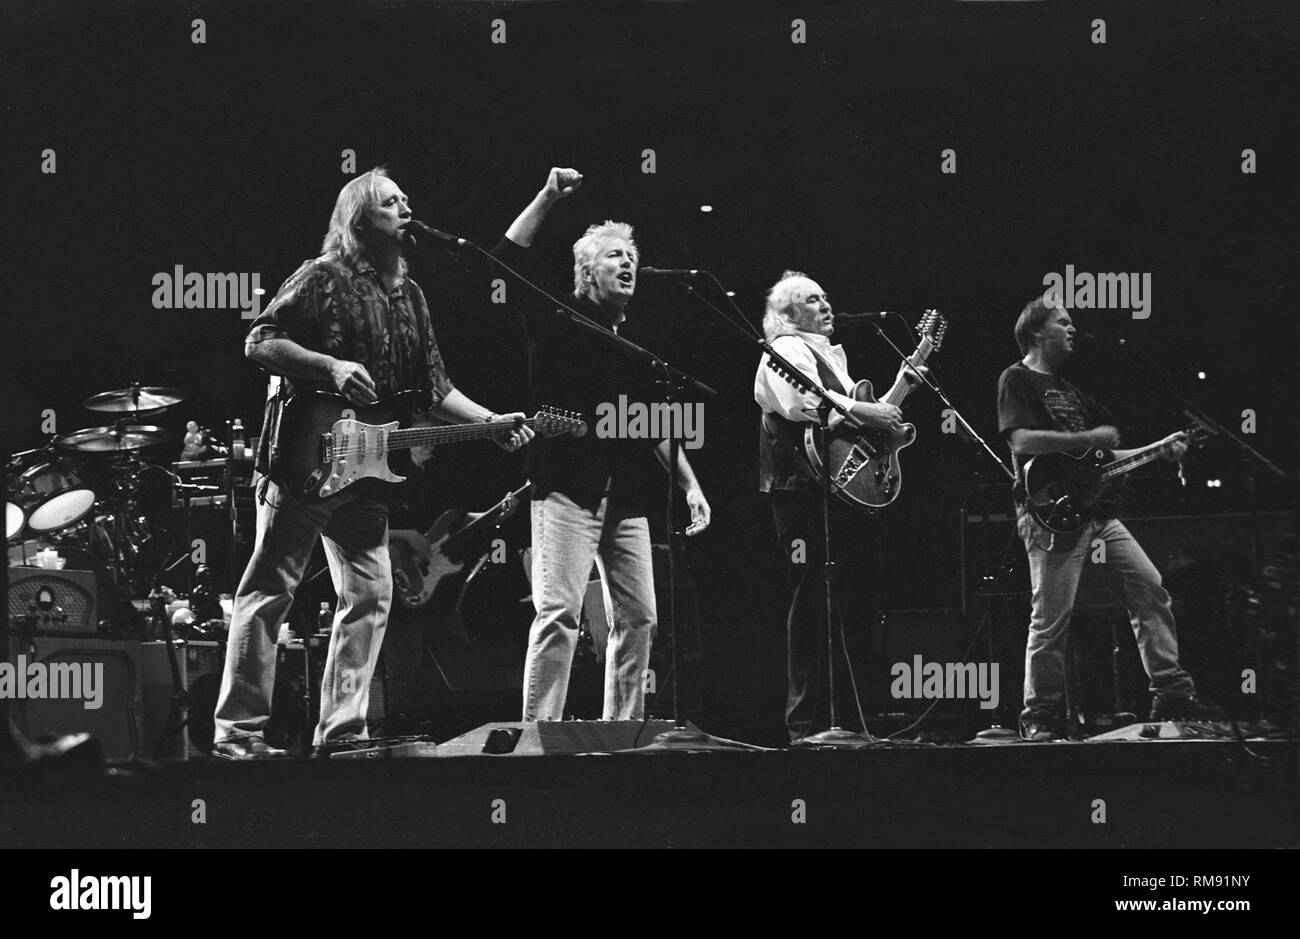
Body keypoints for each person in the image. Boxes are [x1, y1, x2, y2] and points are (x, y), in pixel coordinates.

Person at [212, 168, 534, 759]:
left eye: (406, 198)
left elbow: (436, 387)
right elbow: (261, 340)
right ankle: (238, 734)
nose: (405, 205)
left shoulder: (410, 295)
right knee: (270, 590)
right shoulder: (323, 275)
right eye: (390, 201)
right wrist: (329, 367)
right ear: (361, 218)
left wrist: (490, 423)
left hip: (366, 470)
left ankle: (342, 731)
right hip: (305, 460)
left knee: (372, 593)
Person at [491, 167, 712, 722]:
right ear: (587, 270)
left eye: (631, 256)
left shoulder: (635, 344)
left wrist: (691, 486)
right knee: (559, 613)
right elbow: (505, 263)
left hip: (628, 497)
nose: (628, 264)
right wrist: (545, 196)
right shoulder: (561, 321)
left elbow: (654, 424)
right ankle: (539, 734)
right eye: (615, 256)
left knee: (641, 618)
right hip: (567, 487)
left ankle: (623, 732)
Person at [997, 294, 1222, 741]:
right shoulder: (1017, 378)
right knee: (1050, 617)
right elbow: (1021, 439)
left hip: (1101, 515)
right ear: (1038, 330)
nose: (1073, 330)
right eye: (1064, 323)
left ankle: (1172, 692)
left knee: (1150, 589)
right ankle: (1038, 713)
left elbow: (1104, 456)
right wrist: (1087, 436)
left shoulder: (1075, 394)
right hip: (1051, 514)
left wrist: (1158, 449)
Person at [753, 272, 924, 743]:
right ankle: (807, 725)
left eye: (827, 296)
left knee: (848, 599)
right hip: (800, 489)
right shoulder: (787, 349)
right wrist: (868, 411)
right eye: (813, 299)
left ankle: (849, 718)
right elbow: (803, 408)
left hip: (834, 488)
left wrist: (899, 390)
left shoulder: (830, 355)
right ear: (789, 314)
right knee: (810, 600)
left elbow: (858, 428)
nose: (827, 304)